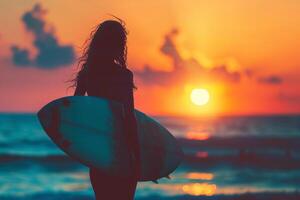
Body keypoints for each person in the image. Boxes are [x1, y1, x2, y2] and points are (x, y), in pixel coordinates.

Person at [72, 19, 141, 200]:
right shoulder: (123, 76)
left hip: (99, 153)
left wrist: (84, 147)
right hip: (121, 150)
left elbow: (75, 113)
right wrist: (138, 156)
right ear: (119, 45)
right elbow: (129, 118)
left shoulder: (87, 75)